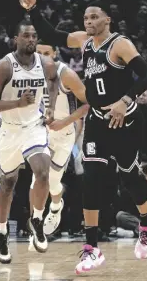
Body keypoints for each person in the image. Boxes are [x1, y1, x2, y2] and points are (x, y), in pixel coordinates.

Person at [19, 0, 147, 273]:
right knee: (91, 179)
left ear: (108, 20)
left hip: (125, 118)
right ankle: (91, 248)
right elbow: (52, 34)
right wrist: (33, 9)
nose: (89, 22)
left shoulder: (120, 44)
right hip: (97, 118)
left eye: (94, 17)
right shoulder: (84, 41)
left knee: (129, 177)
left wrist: (125, 99)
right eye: (86, 18)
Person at [0, 20, 59, 264]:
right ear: (15, 39)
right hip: (9, 129)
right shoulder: (4, 66)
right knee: (8, 183)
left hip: (33, 127)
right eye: (26, 36)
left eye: (34, 35)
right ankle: (1, 232)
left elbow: (55, 80)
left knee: (43, 172)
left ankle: (36, 219)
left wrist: (51, 109)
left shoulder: (45, 63)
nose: (31, 39)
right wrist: (17, 103)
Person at [28, 42, 89, 242]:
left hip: (63, 134)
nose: (43, 57)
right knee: (37, 179)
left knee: (53, 181)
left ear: (54, 53)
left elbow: (90, 103)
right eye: (39, 53)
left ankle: (55, 207)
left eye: (47, 53)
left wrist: (65, 122)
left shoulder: (67, 74)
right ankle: (35, 223)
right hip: (41, 132)